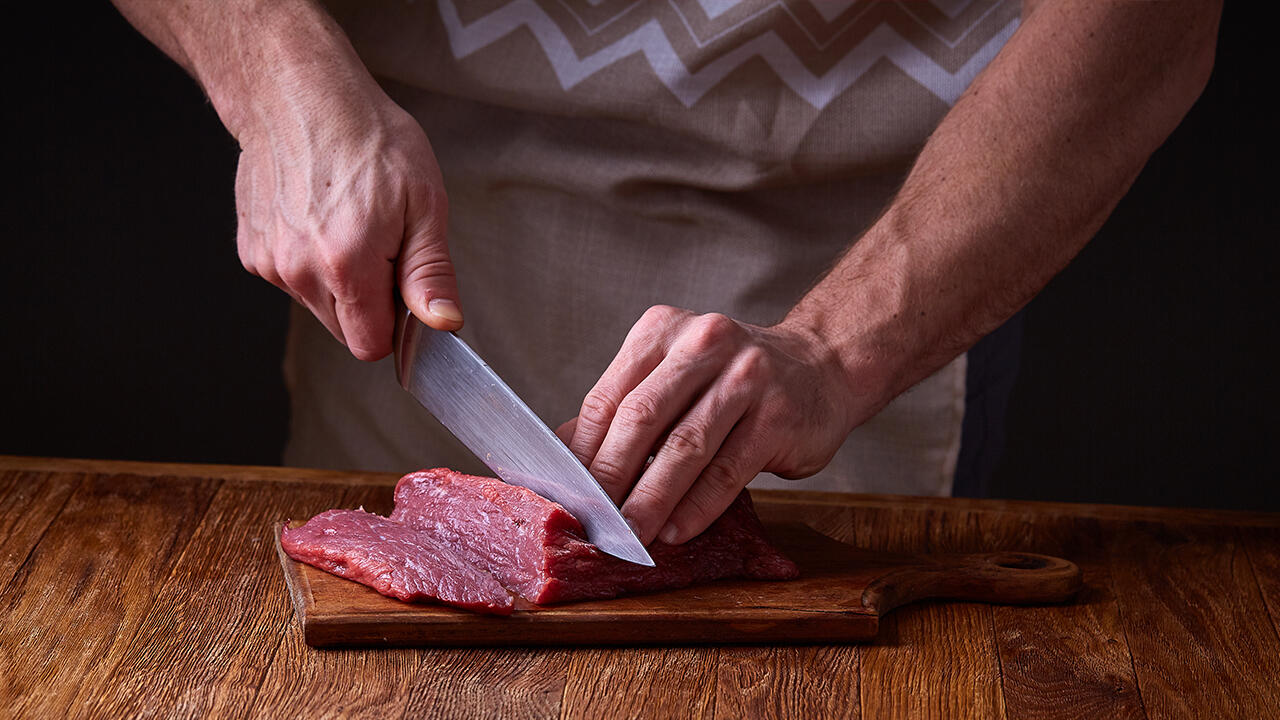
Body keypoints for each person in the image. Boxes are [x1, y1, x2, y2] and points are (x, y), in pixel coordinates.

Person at [113, 0, 1220, 546]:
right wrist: (274, 71)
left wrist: (831, 351)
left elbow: (1149, 21)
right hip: (405, 203)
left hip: (878, 231)